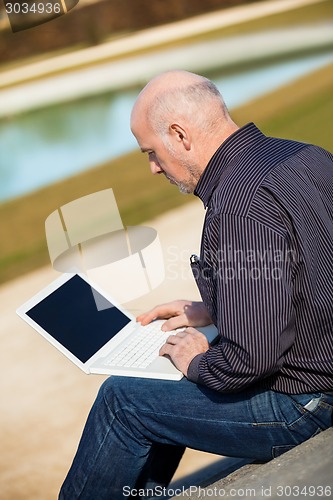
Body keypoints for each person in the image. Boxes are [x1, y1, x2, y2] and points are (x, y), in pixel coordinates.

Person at [59, 70, 333, 499]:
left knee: (123, 400)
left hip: (306, 403)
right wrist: (220, 305)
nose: (152, 168)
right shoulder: (304, 155)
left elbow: (250, 360)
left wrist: (195, 363)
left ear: (179, 135)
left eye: (151, 152)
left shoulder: (236, 207)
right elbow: (313, 264)